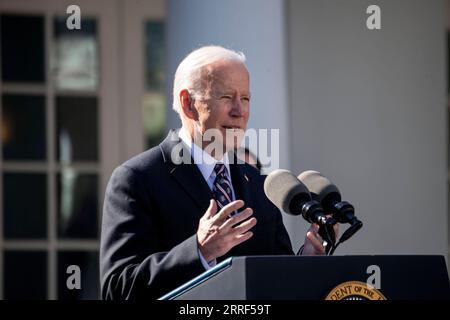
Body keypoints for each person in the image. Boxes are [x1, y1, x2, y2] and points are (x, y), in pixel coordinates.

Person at [100, 45, 338, 300]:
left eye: (245, 98)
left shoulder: (261, 184)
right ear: (188, 104)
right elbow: (117, 289)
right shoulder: (137, 179)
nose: (240, 111)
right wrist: (200, 250)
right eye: (226, 97)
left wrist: (307, 260)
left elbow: (273, 279)